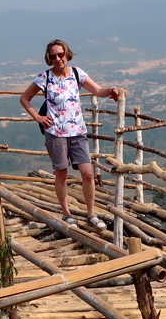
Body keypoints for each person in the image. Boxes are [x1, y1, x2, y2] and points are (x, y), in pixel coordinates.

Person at [19, 39, 120, 230]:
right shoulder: (45, 77)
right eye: (54, 55)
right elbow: (25, 98)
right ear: (49, 58)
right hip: (55, 132)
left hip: (78, 131)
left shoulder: (76, 73)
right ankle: (67, 214)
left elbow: (98, 90)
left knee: (88, 174)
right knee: (62, 174)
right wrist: (38, 117)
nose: (58, 58)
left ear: (67, 54)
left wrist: (112, 91)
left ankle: (91, 214)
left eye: (61, 54)